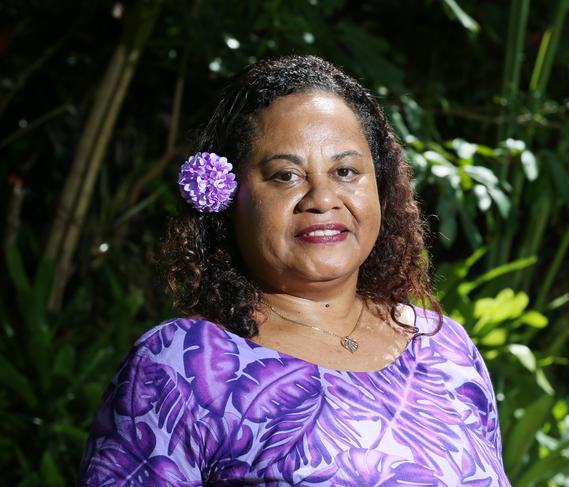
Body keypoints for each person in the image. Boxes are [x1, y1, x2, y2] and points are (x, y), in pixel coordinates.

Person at [78, 55, 510, 486]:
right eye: (285, 175)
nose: (322, 197)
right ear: (229, 195)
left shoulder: (444, 346)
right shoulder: (181, 364)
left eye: (345, 171)